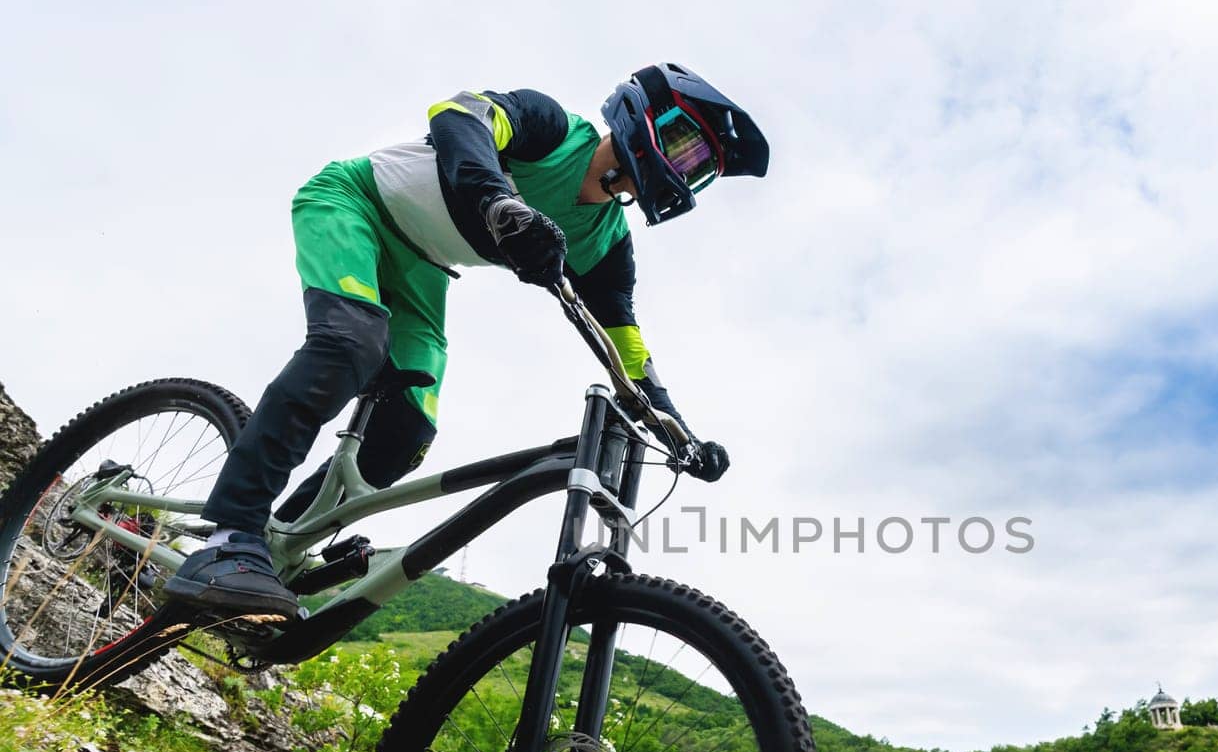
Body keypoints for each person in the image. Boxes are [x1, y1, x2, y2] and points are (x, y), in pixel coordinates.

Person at [163, 62, 768, 619]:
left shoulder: (606, 242)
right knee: (350, 344)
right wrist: (500, 202)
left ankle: (276, 548)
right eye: (685, 148)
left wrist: (673, 424)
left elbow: (625, 346)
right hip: (354, 203)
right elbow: (458, 115)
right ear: (646, 116)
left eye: (698, 169)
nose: (684, 170)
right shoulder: (553, 128)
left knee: (407, 433)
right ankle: (229, 535)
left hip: (421, 268)